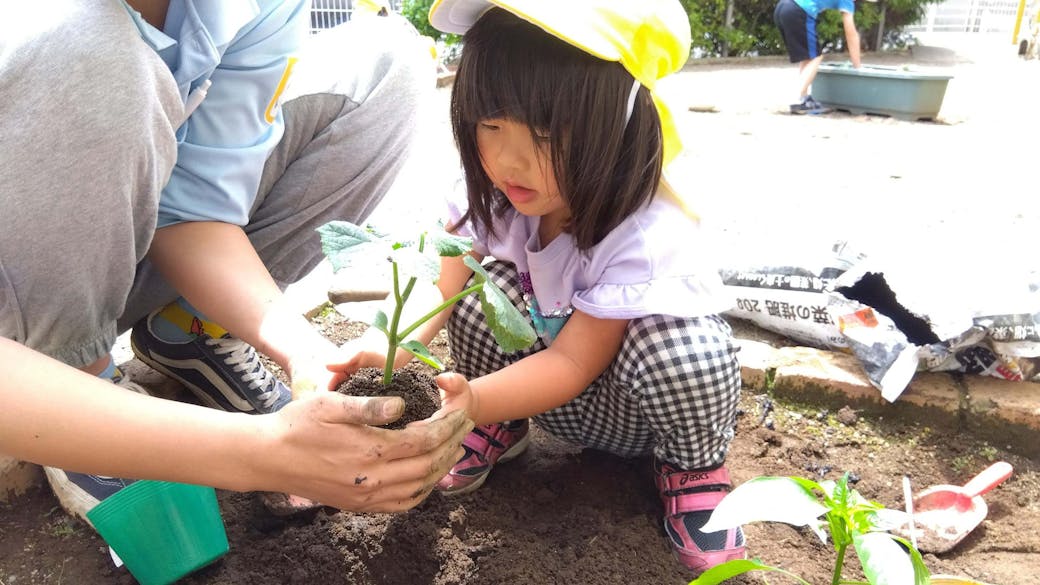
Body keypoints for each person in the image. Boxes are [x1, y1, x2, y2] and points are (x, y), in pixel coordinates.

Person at [0, 0, 472, 530]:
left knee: (391, 63)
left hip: (123, 237)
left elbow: (192, 207)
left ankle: (191, 328)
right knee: (95, 46)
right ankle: (75, 380)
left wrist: (306, 353)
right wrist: (262, 452)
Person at [333, 0, 747, 574]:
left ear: (623, 123)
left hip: (629, 413)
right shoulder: (498, 195)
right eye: (491, 123)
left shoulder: (647, 232)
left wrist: (473, 399)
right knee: (480, 285)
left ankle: (692, 468)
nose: (508, 159)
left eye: (546, 131)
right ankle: (503, 425)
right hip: (538, 393)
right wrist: (394, 345)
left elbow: (576, 364)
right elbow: (439, 280)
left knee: (683, 350)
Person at [774, 0, 868, 114]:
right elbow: (851, 34)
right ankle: (797, 99)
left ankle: (803, 98)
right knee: (816, 57)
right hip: (799, 10)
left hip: (782, 7)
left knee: (808, 56)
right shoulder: (847, 1)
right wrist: (857, 67)